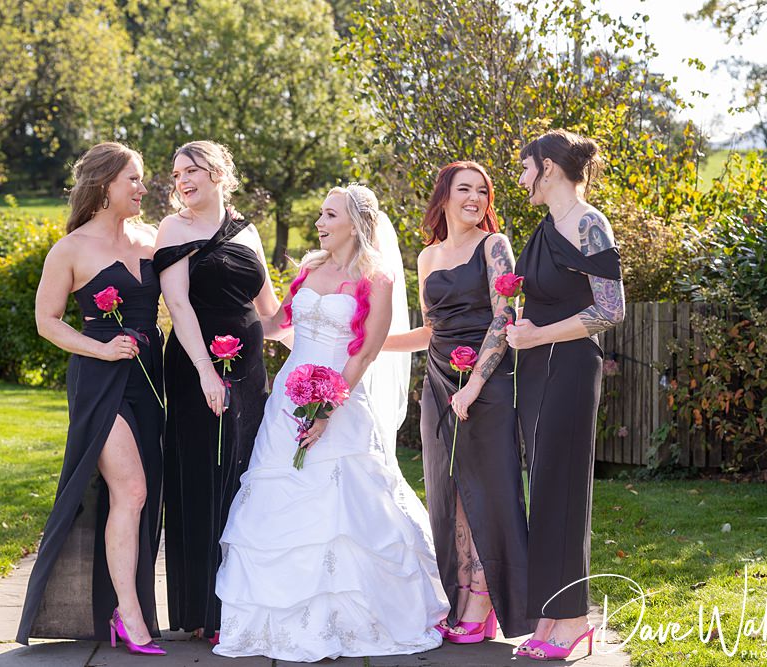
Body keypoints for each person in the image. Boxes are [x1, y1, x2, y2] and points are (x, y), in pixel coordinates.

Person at [213, 184, 447, 662]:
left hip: (341, 400)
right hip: (286, 403)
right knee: (276, 499)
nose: (319, 222)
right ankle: (268, 621)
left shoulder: (376, 277)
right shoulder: (310, 268)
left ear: (355, 223)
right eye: (319, 213)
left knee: (346, 513)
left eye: (329, 215)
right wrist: (228, 335)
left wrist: (325, 410)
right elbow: (279, 323)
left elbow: (364, 353)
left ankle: (353, 619)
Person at [17, 142, 165, 655]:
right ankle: (128, 615)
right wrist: (100, 350)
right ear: (105, 186)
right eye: (134, 179)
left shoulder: (151, 239)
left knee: (143, 497)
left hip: (151, 380)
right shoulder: (71, 249)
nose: (144, 188)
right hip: (101, 384)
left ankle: (125, 607)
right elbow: (46, 322)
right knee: (133, 491)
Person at [383, 161, 535, 644]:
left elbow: (504, 317)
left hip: (486, 383)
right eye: (464, 189)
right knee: (451, 494)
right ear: (444, 195)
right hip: (438, 381)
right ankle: (465, 591)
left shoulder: (495, 246)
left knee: (490, 489)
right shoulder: (427, 258)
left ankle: (487, 598)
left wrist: (474, 386)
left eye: (483, 191)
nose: (475, 199)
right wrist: (371, 344)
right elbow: (431, 331)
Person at [152, 140, 280, 642]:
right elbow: (179, 307)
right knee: (203, 473)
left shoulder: (247, 231)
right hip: (194, 368)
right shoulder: (174, 229)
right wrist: (206, 372)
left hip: (249, 371)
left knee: (246, 473)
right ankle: (204, 607)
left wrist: (326, 333)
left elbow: (269, 311)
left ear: (219, 173)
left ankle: (243, 599)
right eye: (177, 172)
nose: (183, 180)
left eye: (193, 170)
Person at [507, 129, 624, 661]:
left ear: (549, 167)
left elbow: (610, 310)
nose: (522, 178)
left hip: (571, 368)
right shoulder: (545, 227)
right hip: (536, 369)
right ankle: (553, 615)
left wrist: (538, 334)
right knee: (545, 488)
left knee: (565, 489)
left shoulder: (589, 223)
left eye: (526, 167)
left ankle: (575, 621)